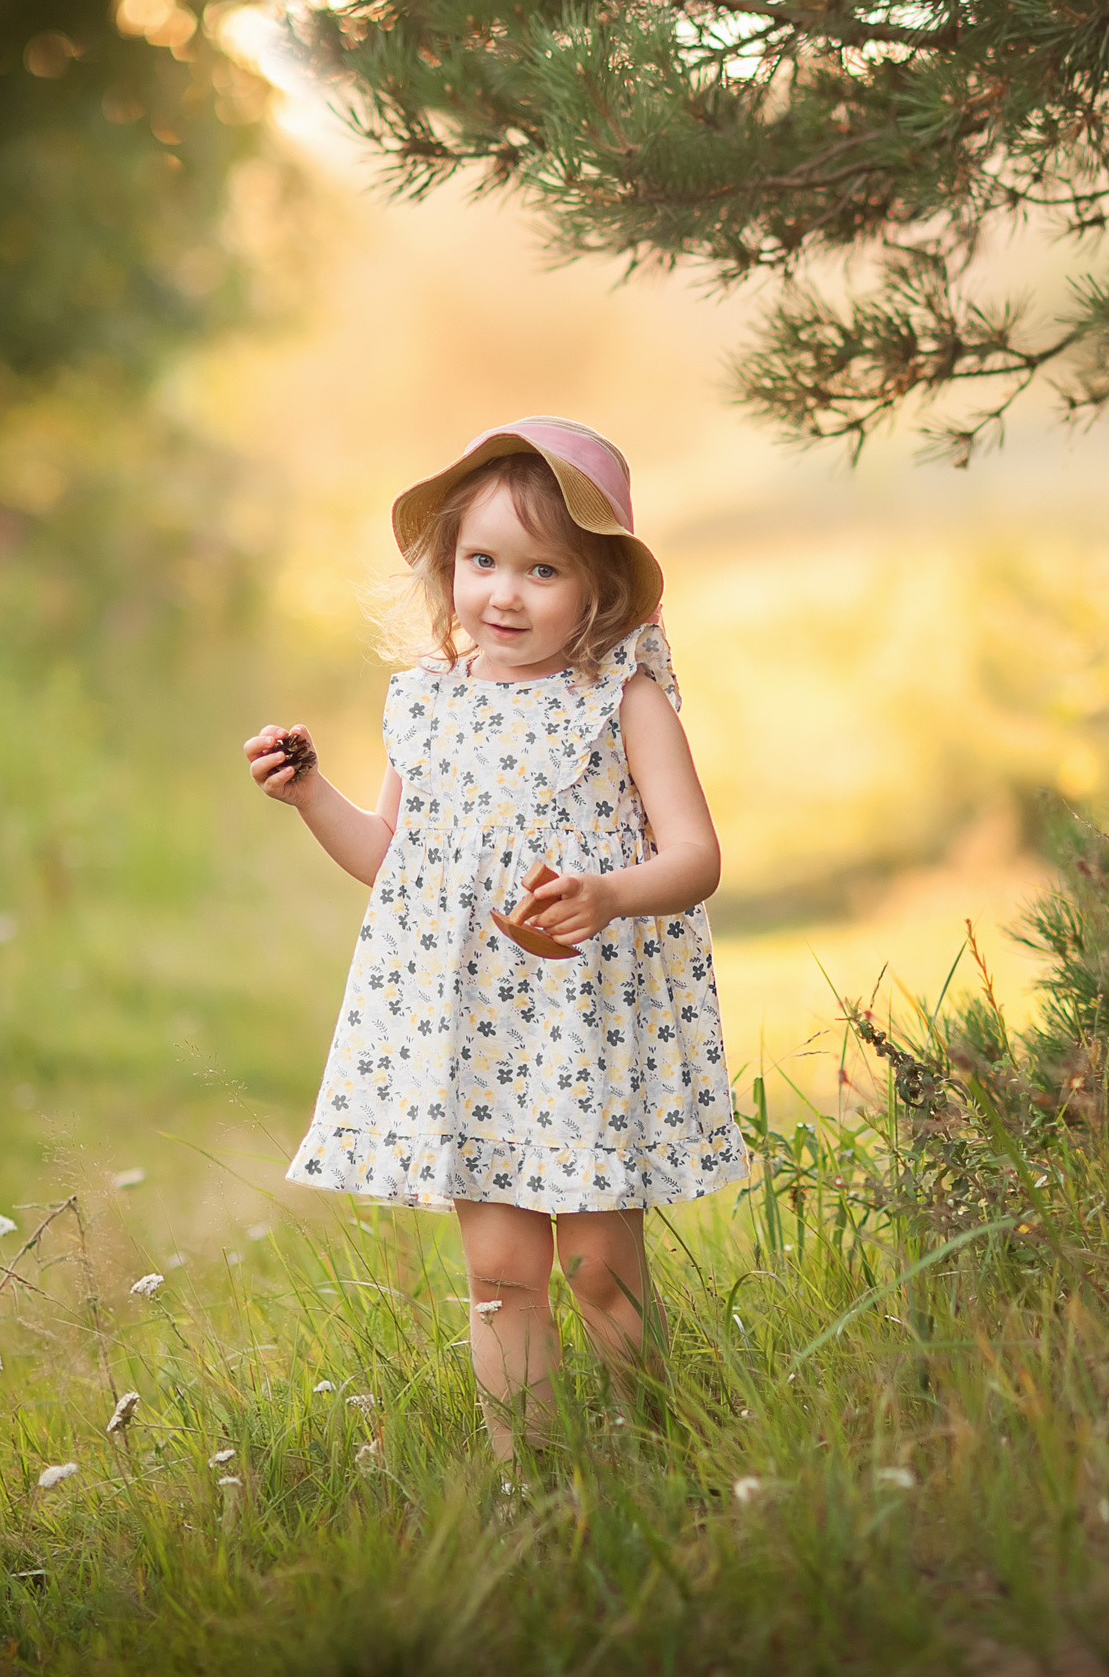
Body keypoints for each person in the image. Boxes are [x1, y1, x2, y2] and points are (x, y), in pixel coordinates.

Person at [242, 417, 746, 1457]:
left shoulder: (626, 701)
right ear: (448, 568)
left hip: (585, 1030)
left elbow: (695, 855)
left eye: (542, 568)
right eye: (481, 562)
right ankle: (531, 1483)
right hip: (475, 1035)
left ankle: (652, 1447)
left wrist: (610, 890)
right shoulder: (427, 705)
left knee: (599, 1267)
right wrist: (309, 795)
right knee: (500, 1273)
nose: (504, 594)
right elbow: (394, 860)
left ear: (601, 587)